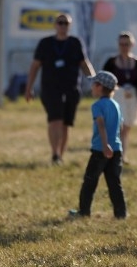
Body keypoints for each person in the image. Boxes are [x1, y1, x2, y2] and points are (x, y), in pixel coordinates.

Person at [25, 13, 95, 165]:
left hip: (71, 88)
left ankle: (60, 155)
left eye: (66, 23)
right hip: (51, 88)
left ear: (70, 26)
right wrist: (29, 87)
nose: (63, 26)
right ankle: (54, 154)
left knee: (66, 123)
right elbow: (35, 66)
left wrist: (95, 81)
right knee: (55, 119)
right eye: (60, 22)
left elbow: (84, 64)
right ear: (55, 25)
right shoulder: (45, 43)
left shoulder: (75, 42)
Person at [68, 71, 126, 219]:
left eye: (94, 84)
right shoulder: (116, 105)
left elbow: (101, 125)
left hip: (101, 150)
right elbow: (120, 127)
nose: (92, 87)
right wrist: (114, 144)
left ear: (100, 87)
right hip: (116, 149)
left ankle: (84, 212)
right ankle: (121, 214)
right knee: (114, 183)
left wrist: (105, 145)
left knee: (89, 182)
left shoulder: (97, 105)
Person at [102, 31, 137, 164]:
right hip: (116, 97)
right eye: (121, 44)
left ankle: (122, 155)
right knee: (117, 127)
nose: (124, 47)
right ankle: (112, 154)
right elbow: (104, 80)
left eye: (127, 44)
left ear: (132, 45)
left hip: (131, 98)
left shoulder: (136, 62)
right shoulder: (111, 62)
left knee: (126, 127)